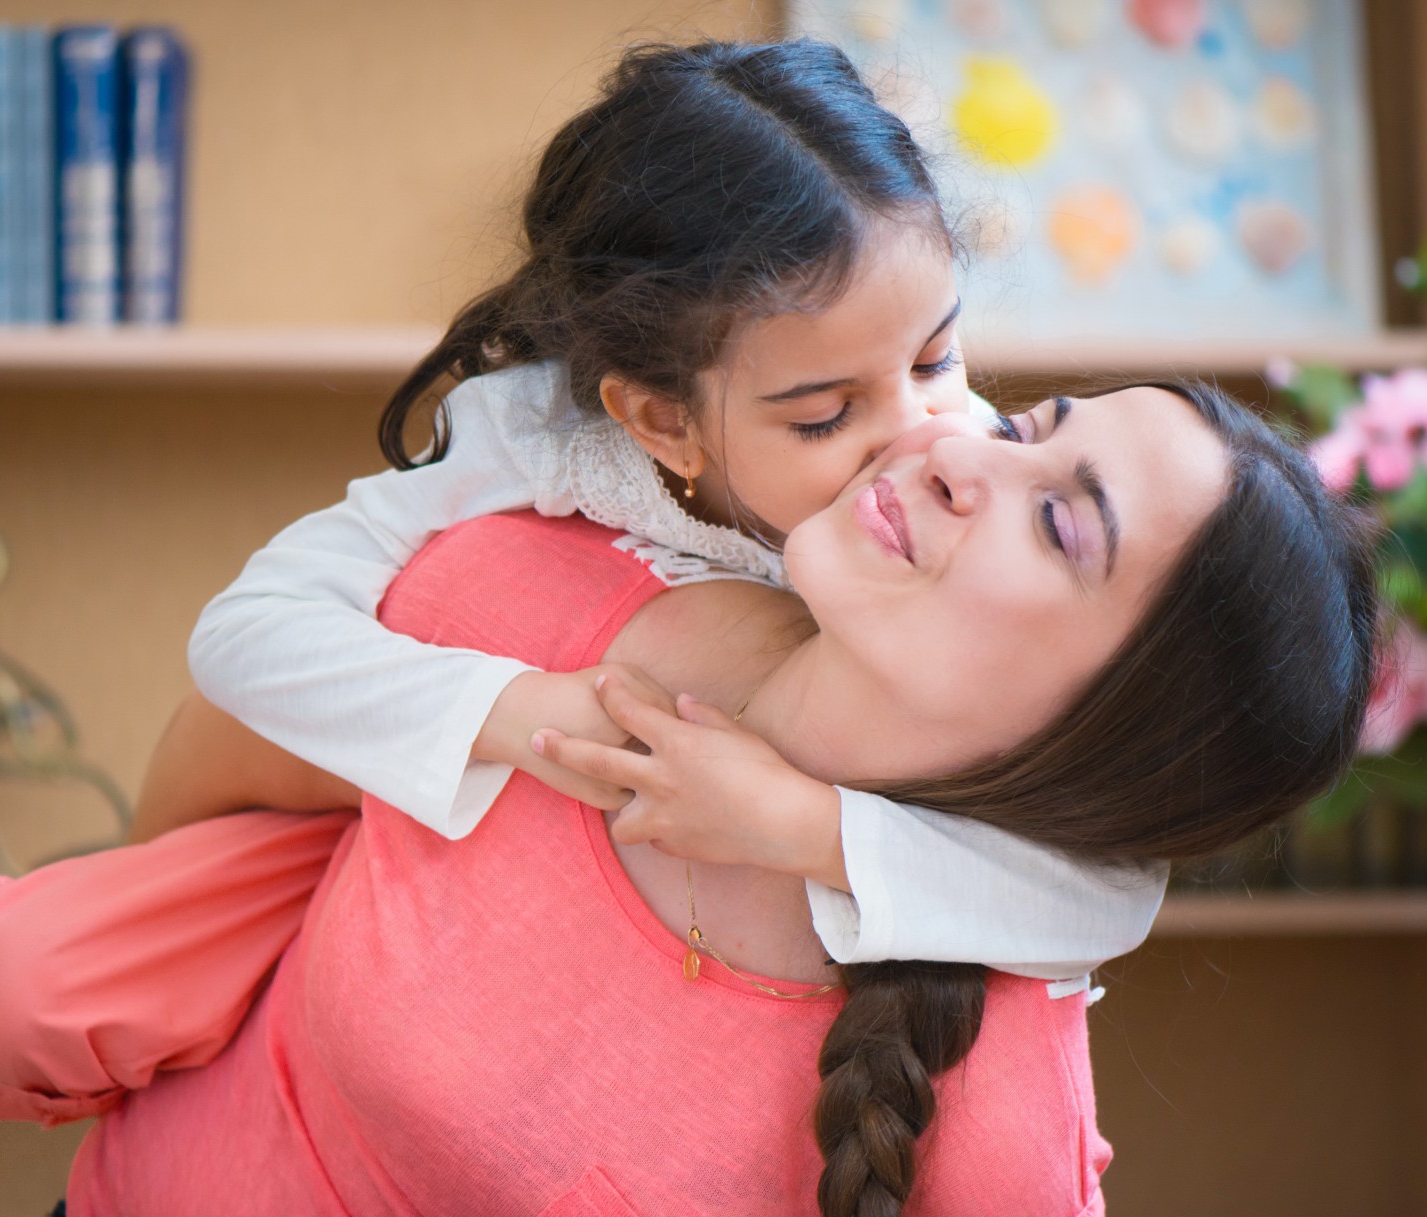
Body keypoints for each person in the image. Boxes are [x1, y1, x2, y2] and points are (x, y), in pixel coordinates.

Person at [0, 383, 1377, 1217]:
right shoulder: (526, 580)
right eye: (1031, 422)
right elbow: (218, 778)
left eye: (1060, 519)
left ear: (1115, 743)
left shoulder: (990, 1108)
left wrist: (814, 837)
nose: (956, 454)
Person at [179, 38, 1166, 984]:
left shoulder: (976, 473)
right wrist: (518, 714)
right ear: (660, 420)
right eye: (826, 414)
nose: (922, 437)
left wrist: (800, 823)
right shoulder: (534, 432)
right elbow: (245, 634)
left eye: (934, 359)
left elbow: (1115, 891)